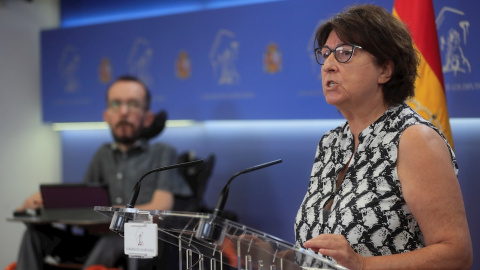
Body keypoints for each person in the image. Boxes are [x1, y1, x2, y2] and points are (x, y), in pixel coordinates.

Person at [294, 4, 473, 270]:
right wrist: (280, 256)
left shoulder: (413, 139)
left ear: (385, 70)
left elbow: (456, 254)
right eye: (325, 54)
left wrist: (363, 265)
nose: (328, 66)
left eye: (344, 53)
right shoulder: (330, 143)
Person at [14, 75, 192, 269]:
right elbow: (83, 207)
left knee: (120, 238)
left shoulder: (162, 152)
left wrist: (112, 212)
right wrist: (46, 203)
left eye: (133, 104)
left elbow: (161, 207)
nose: (124, 112)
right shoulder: (103, 154)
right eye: (116, 104)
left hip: (142, 247)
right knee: (34, 236)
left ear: (148, 117)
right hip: (96, 241)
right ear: (106, 115)